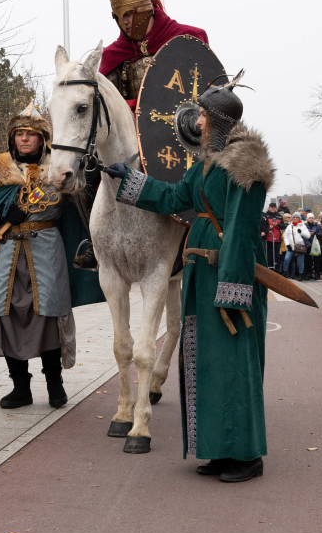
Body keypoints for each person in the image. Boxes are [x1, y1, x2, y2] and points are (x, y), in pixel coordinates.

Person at [105, 76, 273, 482]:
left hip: (227, 278)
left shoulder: (245, 167)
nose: (195, 120)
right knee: (205, 364)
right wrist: (125, 180)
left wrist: (234, 292)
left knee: (233, 367)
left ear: (215, 120)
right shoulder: (204, 167)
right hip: (200, 274)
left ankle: (247, 456)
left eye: (201, 114)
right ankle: (217, 451)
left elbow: (242, 232)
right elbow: (172, 198)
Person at [73, 0, 209, 270]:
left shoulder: (186, 38)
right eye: (122, 16)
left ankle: (192, 234)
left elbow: (201, 92)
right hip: (125, 133)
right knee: (88, 168)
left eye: (134, 13)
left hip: (174, 130)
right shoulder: (112, 55)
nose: (129, 22)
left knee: (199, 172)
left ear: (148, 7)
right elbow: (103, 103)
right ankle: (96, 242)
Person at [0, 103, 103, 409]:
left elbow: (84, 198)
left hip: (46, 248)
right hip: (8, 250)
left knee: (49, 315)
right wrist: (3, 211)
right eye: (20, 134)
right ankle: (20, 388)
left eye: (31, 135)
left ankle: (55, 384)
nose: (24, 139)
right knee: (8, 315)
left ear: (42, 139)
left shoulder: (59, 166)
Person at [283, 212, 310, 281]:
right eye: (294, 217)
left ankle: (301, 274)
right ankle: (285, 273)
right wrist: (287, 244)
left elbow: (308, 236)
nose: (295, 218)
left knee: (300, 261)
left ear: (299, 218)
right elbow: (285, 236)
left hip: (300, 246)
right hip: (291, 246)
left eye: (297, 217)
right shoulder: (289, 226)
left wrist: (301, 232)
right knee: (286, 259)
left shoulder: (303, 226)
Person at [263, 202, 284, 273]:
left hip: (277, 239)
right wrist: (268, 227)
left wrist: (277, 225)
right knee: (268, 255)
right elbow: (262, 226)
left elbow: (283, 226)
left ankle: (277, 271)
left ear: (276, 208)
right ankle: (268, 270)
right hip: (268, 239)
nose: (273, 208)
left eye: (274, 207)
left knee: (277, 256)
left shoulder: (279, 216)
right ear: (269, 208)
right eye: (271, 207)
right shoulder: (265, 215)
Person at [304, 212, 322, 280]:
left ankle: (317, 274)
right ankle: (308, 274)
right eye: (309, 218)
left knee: (317, 260)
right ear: (307, 219)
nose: (311, 219)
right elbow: (303, 235)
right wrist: (309, 234)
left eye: (312, 218)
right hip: (308, 244)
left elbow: (320, 234)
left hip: (316, 245)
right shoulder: (305, 225)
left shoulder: (317, 225)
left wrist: (314, 233)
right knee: (308, 260)